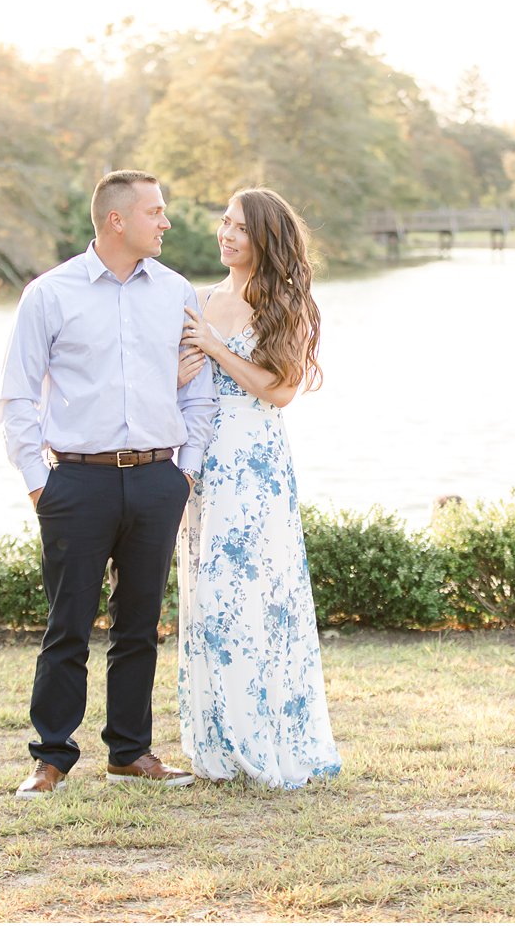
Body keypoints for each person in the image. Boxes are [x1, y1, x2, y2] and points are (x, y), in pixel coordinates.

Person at [0, 169, 218, 798]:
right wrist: (39, 480)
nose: (166, 222)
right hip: (77, 482)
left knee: (140, 624)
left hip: (156, 478)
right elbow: (16, 394)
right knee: (67, 626)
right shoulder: (50, 294)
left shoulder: (176, 291)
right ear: (117, 220)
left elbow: (198, 390)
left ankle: (130, 752)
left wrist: (186, 469)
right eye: (156, 211)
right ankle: (51, 758)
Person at [174, 187, 341, 789]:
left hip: (256, 467)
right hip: (202, 465)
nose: (226, 234)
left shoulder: (286, 304)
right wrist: (183, 371)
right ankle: (217, 745)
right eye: (224, 222)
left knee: (256, 597)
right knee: (209, 597)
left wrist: (217, 350)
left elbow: (281, 389)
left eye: (240, 227)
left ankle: (267, 739)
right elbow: (176, 382)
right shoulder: (198, 300)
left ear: (264, 238)